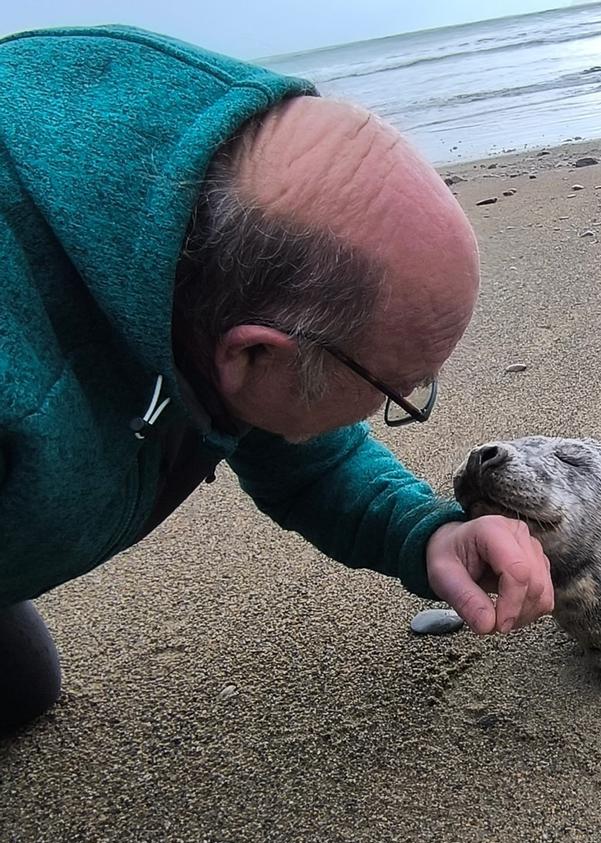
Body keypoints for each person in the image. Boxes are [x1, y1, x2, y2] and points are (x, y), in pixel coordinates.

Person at [0, 28, 555, 745]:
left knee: (19, 690)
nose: (402, 401)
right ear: (252, 353)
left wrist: (428, 533)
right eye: (395, 387)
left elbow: (307, 456)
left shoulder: (207, 223)